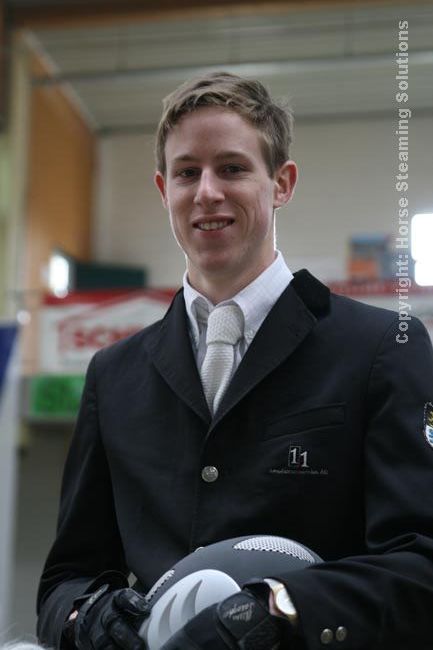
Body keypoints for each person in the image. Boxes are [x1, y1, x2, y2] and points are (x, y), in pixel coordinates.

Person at [37, 72, 433, 649]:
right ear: (163, 189)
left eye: (232, 168)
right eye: (187, 173)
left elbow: (421, 562)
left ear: (282, 183)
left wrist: (279, 612)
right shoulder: (114, 375)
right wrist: (91, 617)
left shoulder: (381, 347)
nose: (206, 192)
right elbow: (64, 582)